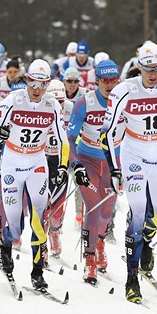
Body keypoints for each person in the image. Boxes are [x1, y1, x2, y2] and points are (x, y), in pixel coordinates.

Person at [100, 41, 157, 303]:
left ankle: (146, 244)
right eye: (147, 68)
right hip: (134, 152)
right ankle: (131, 277)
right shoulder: (124, 91)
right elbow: (109, 133)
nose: (153, 74)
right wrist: (115, 169)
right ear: (138, 66)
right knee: (138, 210)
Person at [0, 59, 69, 290]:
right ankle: (5, 245)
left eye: (42, 85)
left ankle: (37, 272)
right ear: (27, 81)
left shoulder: (52, 104)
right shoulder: (13, 100)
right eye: (33, 83)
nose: (37, 89)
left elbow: (62, 139)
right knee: (15, 223)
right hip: (12, 162)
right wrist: (0, 133)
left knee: (39, 219)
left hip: (36, 162)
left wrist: (62, 167)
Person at [68, 59, 125, 284]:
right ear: (97, 81)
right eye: (104, 81)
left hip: (113, 163)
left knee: (107, 212)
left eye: (113, 81)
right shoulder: (85, 102)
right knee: (93, 208)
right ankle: (90, 258)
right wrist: (76, 163)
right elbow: (70, 138)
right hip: (88, 159)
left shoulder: (124, 100)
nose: (109, 85)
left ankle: (100, 241)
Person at [43, 79, 72, 259]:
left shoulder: (71, 108)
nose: (58, 105)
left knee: (58, 208)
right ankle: (41, 243)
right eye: (55, 101)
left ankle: (54, 232)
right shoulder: (42, 107)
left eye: (61, 101)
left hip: (61, 161)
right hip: (43, 159)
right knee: (43, 205)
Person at [63, 67, 87, 227]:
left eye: (75, 81)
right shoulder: (57, 93)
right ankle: (56, 218)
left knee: (79, 181)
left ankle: (80, 214)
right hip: (59, 146)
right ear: (64, 81)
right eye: (69, 81)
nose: (72, 85)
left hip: (77, 145)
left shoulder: (84, 95)